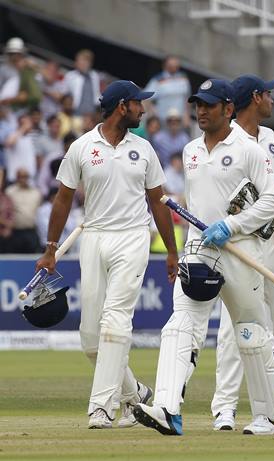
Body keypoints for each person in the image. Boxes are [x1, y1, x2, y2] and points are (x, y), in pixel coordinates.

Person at [134, 79, 274, 436]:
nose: (201, 111)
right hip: (200, 251)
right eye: (198, 105)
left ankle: (269, 414)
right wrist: (193, 242)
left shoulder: (250, 150)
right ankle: (167, 408)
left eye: (210, 104)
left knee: (249, 332)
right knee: (179, 326)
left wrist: (230, 226)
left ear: (229, 109)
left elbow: (272, 202)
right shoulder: (190, 151)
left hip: (241, 250)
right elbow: (196, 202)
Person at [35, 80, 178, 429]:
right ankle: (136, 395)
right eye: (138, 105)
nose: (143, 111)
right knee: (89, 337)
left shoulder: (144, 150)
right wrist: (50, 249)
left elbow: (158, 203)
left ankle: (101, 407)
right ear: (121, 107)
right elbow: (63, 200)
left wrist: (172, 250)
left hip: (133, 237)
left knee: (115, 322)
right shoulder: (82, 147)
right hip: (94, 238)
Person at [210, 74, 274, 431]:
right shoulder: (226, 138)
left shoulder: (269, 137)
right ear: (255, 98)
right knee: (235, 327)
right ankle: (225, 407)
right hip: (240, 242)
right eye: (269, 94)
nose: (273, 100)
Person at [144, 56, 192, 128]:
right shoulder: (158, 80)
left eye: (176, 65)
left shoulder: (183, 78)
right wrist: (152, 115)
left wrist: (187, 115)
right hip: (163, 121)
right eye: (171, 65)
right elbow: (146, 97)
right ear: (165, 66)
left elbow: (187, 98)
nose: (174, 67)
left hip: (180, 120)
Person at [5, 168, 41, 253]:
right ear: (17, 178)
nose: (23, 179)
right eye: (21, 177)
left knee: (33, 258)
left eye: (25, 177)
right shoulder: (9, 192)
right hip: (15, 232)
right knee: (15, 258)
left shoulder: (36, 193)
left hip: (31, 231)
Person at [64, 49, 101, 116]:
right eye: (80, 61)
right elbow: (65, 94)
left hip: (91, 115)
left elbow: (97, 95)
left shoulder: (94, 76)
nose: (83, 64)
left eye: (86, 62)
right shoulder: (70, 76)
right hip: (75, 113)